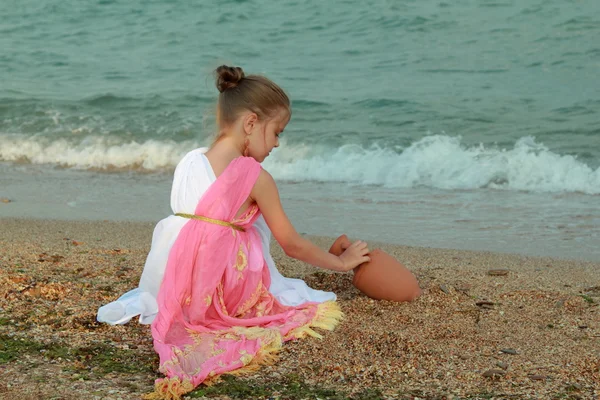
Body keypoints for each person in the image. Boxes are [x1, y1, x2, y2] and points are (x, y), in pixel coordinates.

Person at [98, 65, 370, 399]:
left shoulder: (190, 160)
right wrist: (341, 264)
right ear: (251, 123)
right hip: (221, 287)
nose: (277, 145)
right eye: (277, 133)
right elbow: (292, 244)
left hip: (174, 278)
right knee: (291, 299)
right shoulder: (255, 177)